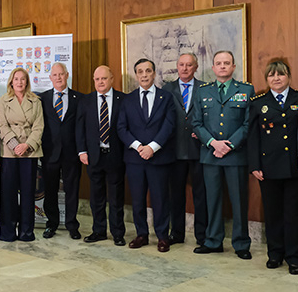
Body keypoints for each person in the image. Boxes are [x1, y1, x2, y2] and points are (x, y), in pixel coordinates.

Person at [248, 60, 298, 275]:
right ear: (266, 79)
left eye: (281, 74)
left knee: (296, 214)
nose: (276, 78)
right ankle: (275, 254)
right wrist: (255, 164)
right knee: (273, 213)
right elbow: (253, 136)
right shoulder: (258, 102)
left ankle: (295, 258)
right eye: (272, 75)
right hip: (269, 168)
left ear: (289, 76)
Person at [191, 51, 255, 259]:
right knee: (213, 200)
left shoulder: (246, 89)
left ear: (233, 67)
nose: (222, 66)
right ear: (213, 67)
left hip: (235, 156)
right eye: (218, 63)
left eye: (227, 63)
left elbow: (248, 123)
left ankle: (241, 243)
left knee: (238, 201)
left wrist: (230, 145)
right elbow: (196, 123)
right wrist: (213, 143)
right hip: (210, 155)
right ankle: (213, 241)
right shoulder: (202, 91)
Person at [117, 58, 176, 252]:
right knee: (138, 199)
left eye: (148, 71)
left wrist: (152, 147)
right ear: (136, 75)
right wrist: (138, 146)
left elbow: (169, 126)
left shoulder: (165, 98)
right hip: (134, 159)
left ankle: (162, 236)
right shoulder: (128, 99)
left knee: (160, 199)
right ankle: (141, 234)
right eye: (140, 71)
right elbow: (121, 128)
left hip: (158, 158)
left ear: (154, 73)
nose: (144, 75)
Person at [77, 66, 127, 246]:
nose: (100, 82)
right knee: (96, 197)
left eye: (104, 78)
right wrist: (82, 151)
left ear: (112, 79)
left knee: (116, 198)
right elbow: (80, 128)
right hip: (93, 156)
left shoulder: (123, 99)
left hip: (115, 156)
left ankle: (118, 233)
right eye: (97, 79)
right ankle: (98, 231)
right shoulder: (86, 100)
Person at [164, 53, 207, 245]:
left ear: (195, 67)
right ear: (177, 66)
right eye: (181, 64)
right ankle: (177, 233)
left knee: (201, 195)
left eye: (189, 65)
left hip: (199, 150)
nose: (185, 68)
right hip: (174, 150)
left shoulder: (205, 89)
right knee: (176, 196)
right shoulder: (167, 89)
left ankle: (202, 235)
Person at [0, 68, 44, 242]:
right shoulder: (3, 101)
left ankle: (26, 232)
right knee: (8, 193)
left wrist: (27, 145)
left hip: (29, 152)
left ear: (27, 82)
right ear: (11, 81)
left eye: (23, 79)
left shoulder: (35, 101)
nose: (19, 82)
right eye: (16, 79)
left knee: (27, 192)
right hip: (10, 151)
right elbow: (2, 125)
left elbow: (39, 127)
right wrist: (16, 145)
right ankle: (7, 232)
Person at [38, 63, 82, 240]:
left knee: (72, 190)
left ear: (67, 75)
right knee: (50, 191)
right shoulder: (42, 99)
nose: (58, 77)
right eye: (55, 75)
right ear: (50, 78)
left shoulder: (79, 98)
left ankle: (72, 225)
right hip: (50, 153)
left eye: (61, 74)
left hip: (72, 153)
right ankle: (52, 224)